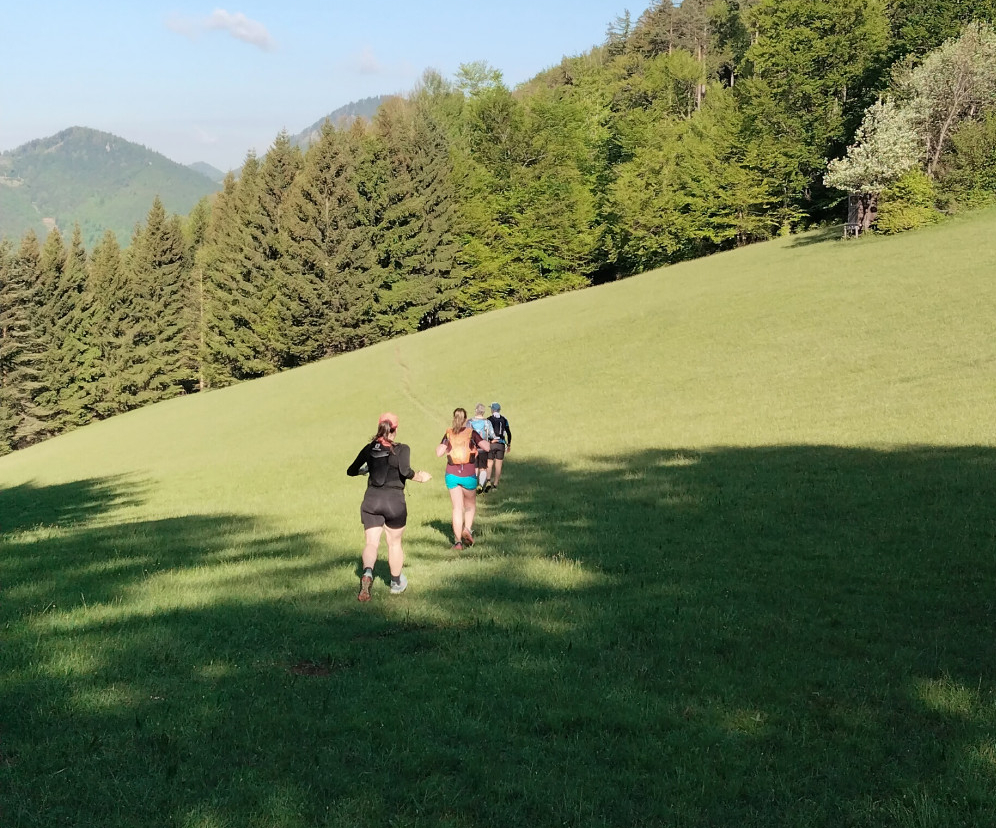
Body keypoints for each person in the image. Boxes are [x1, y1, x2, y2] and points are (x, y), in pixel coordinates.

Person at [347, 412, 431, 602]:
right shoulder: (402, 449)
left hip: (371, 501)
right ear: (395, 429)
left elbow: (351, 471)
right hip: (394, 502)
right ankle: (395, 583)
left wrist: (364, 470)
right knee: (394, 543)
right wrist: (421, 477)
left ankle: (368, 572)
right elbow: (405, 471)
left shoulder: (369, 448)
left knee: (371, 543)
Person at [436, 407, 490, 550]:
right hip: (468, 473)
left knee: (457, 508)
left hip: (451, 474)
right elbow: (486, 447)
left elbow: (439, 452)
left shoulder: (448, 433)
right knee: (470, 505)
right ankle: (467, 529)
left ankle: (458, 542)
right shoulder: (471, 433)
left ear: (454, 418)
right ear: (466, 420)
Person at [468, 403, 497, 493]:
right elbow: (492, 435)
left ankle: (473, 485)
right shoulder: (487, 422)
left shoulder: (470, 422)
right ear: (483, 412)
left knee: (474, 467)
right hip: (483, 448)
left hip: (472, 448)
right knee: (483, 468)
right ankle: (480, 485)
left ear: (476, 411)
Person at [486, 402, 512, 492]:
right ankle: (495, 485)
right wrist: (509, 444)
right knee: (498, 465)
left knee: (489, 462)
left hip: (492, 443)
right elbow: (509, 433)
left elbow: (486, 432)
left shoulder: (489, 419)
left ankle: (488, 481)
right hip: (501, 444)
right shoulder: (504, 419)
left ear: (493, 410)